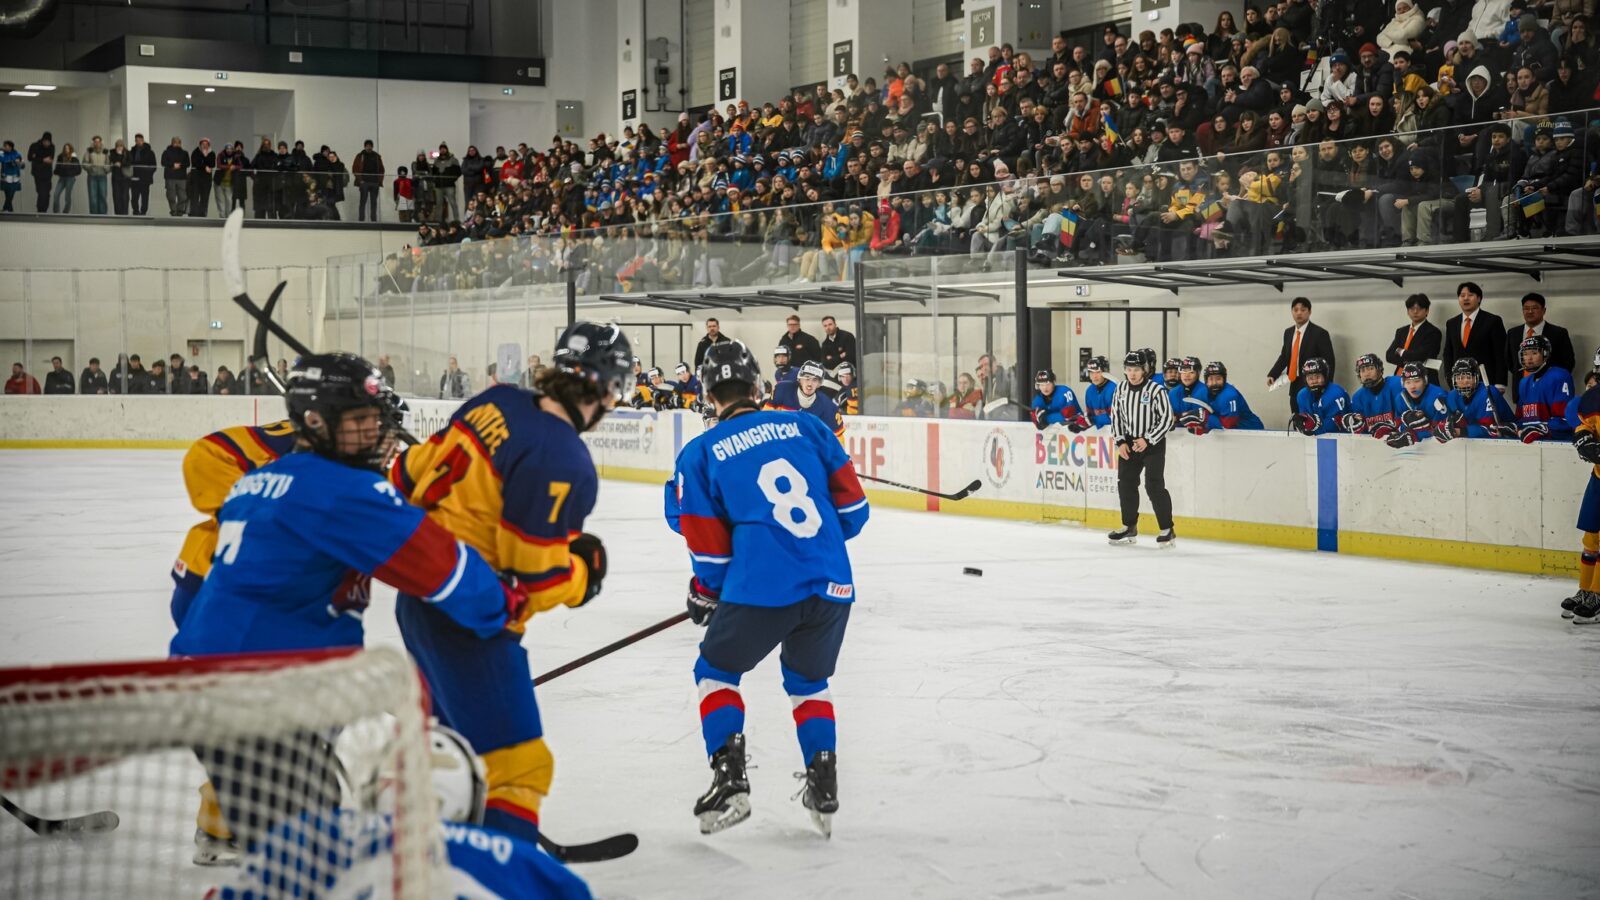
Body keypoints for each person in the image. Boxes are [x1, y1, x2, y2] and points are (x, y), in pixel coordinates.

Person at [171, 353, 529, 855]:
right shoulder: (341, 490)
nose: (375, 432)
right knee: (309, 857)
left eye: (375, 419)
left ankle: (233, 834)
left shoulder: (262, 480)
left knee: (296, 840)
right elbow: (441, 572)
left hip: (220, 685)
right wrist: (506, 599)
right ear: (316, 422)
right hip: (263, 698)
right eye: (360, 421)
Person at [389, 322, 630, 845]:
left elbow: (405, 476)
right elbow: (538, 579)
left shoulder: (496, 399)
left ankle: (438, 862)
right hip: (471, 622)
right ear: (607, 388)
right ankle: (500, 872)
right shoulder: (562, 456)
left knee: (448, 752)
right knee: (519, 767)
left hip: (418, 603)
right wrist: (584, 574)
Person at [664, 340, 869, 837]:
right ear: (758, 385)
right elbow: (855, 513)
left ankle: (730, 781)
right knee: (807, 683)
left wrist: (706, 591)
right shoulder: (807, 427)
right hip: (832, 584)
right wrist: (808, 549)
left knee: (715, 670)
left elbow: (709, 553)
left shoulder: (701, 452)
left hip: (763, 587)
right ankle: (824, 782)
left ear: (707, 395)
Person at [1109, 350, 1175, 547]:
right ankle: (1129, 526)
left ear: (1144, 369)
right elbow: (1116, 416)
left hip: (1152, 444)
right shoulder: (1120, 389)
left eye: (1136, 369)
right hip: (1129, 443)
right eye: (1129, 369)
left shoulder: (1157, 390)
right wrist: (1120, 442)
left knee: (1153, 485)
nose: (1132, 373)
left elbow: (1166, 419)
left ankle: (1167, 529)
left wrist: (1148, 439)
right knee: (1126, 483)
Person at [1565, 356, 1600, 622]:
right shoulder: (1591, 399)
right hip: (1598, 477)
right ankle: (1586, 590)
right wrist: (1582, 436)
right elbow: (1584, 425)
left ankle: (1598, 594)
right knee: (1591, 538)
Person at [1267, 297, 1335, 414]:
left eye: (1303, 310)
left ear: (1309, 312)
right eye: (1296, 309)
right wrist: (1273, 374)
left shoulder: (1319, 333)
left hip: (1314, 384)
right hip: (1294, 383)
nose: (1299, 313)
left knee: (1314, 419)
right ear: (1292, 312)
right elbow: (1284, 356)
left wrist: (1326, 386)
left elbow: (1329, 361)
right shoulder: (1288, 333)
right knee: (1297, 418)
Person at [1505, 292, 1576, 403]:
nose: (1530, 311)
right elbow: (1510, 362)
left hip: (1550, 392)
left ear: (1544, 310)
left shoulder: (1558, 333)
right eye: (1526, 308)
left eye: (1534, 308)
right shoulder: (1513, 333)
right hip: (1522, 391)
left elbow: (1568, 363)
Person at [1441, 281, 1508, 390]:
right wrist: (1450, 378)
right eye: (1462, 296)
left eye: (1470, 295)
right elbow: (1448, 353)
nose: (1466, 298)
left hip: (1486, 383)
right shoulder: (1452, 323)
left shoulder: (1492, 321)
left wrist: (1500, 383)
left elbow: (1501, 354)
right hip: (1459, 383)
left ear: (1479, 298)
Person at [1514, 335, 1576, 443]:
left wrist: (1544, 429)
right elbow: (1520, 418)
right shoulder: (1523, 382)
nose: (1529, 358)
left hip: (1556, 444)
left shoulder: (1560, 376)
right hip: (1529, 442)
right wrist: (1514, 428)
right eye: (1525, 354)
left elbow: (1563, 419)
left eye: (1534, 353)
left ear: (1545, 354)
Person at [1439, 357, 1515, 440]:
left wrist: (1460, 431)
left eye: (1468, 377)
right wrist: (1443, 428)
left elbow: (1491, 430)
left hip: (1508, 442)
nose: (1464, 381)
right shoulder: (1452, 396)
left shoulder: (1488, 393)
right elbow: (1445, 423)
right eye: (1459, 378)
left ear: (1476, 378)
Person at [765, 360, 844, 437]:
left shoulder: (828, 407)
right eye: (807, 378)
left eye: (815, 380)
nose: (810, 384)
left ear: (819, 383)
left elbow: (838, 440)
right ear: (800, 379)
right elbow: (765, 418)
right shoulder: (782, 390)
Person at [1179, 362, 1264, 433]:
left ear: (1224, 379)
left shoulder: (1229, 395)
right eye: (1211, 379)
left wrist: (1204, 417)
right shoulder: (1203, 392)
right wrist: (1201, 428)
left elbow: (1227, 425)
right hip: (1232, 436)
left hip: (1251, 431)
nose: (1215, 382)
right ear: (1206, 381)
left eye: (1218, 378)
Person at [1385, 362, 1453, 448]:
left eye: (1417, 381)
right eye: (1408, 382)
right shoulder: (1400, 399)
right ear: (1403, 384)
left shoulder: (1438, 396)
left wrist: (1413, 436)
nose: (1412, 386)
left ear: (1425, 380)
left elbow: (1443, 431)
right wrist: (1404, 425)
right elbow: (1398, 427)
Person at [1385, 293, 1443, 385]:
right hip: (1400, 378)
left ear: (1427, 311)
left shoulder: (1433, 332)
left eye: (1419, 309)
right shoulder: (1401, 331)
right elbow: (1389, 355)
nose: (1415, 312)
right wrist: (1410, 360)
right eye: (1412, 309)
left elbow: (1421, 356)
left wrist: (1400, 352)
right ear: (1407, 311)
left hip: (1423, 380)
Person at [1343, 353, 1404, 439]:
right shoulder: (1358, 397)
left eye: (1370, 368)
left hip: (1399, 442)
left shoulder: (1396, 384)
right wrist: (1354, 423)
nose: (1366, 374)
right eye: (1362, 370)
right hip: (1372, 445)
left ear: (1379, 369)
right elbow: (1361, 432)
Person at [1290, 358, 1350, 435]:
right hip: (1313, 440)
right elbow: (1306, 422)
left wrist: (1314, 426)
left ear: (1325, 376)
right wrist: (1302, 424)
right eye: (1310, 378)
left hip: (1340, 441)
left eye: (1317, 377)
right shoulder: (1302, 395)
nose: (1314, 381)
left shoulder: (1337, 393)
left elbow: (1337, 424)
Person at [353, 139, 385, 222]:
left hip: (374, 182)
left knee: (374, 203)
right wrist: (360, 180)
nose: (369, 147)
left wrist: (379, 181)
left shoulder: (377, 156)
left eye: (370, 145)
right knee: (363, 202)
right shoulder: (360, 156)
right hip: (364, 182)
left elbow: (381, 169)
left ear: (372, 146)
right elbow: (355, 168)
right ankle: (361, 220)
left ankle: (373, 220)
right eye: (367, 145)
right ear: (364, 146)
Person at [1082, 356, 1117, 427]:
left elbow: (1116, 418)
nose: (1094, 376)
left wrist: (1093, 420)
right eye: (1091, 373)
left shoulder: (1115, 389)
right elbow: (1090, 415)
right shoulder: (1089, 390)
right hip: (1099, 435)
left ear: (1106, 372)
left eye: (1098, 372)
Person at [128, 133, 156, 216]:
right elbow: (129, 164)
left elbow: (154, 166)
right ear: (135, 141)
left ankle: (143, 212)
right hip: (134, 178)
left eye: (140, 140)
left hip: (145, 179)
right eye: (137, 140)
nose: (138, 142)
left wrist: (147, 173)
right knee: (134, 197)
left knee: (145, 197)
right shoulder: (132, 151)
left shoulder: (150, 152)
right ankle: (135, 211)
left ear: (143, 140)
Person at [26, 131, 53, 214]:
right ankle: (40, 211)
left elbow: (50, 159)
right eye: (46, 142)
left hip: (48, 173)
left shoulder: (52, 147)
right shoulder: (34, 146)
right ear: (43, 140)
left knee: (47, 192)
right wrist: (43, 159)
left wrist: (37, 157)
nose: (47, 144)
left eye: (49, 142)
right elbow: (30, 157)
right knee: (41, 192)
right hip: (37, 173)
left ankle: (44, 210)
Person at [161, 136, 189, 216]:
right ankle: (173, 211)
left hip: (182, 178)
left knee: (183, 197)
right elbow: (163, 162)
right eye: (175, 142)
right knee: (171, 196)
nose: (176, 144)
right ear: (172, 143)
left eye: (178, 142)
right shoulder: (166, 152)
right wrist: (173, 165)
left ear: (180, 143)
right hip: (170, 177)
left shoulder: (185, 153)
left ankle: (180, 211)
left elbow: (187, 163)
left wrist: (179, 165)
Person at [0, 139, 22, 212]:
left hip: (14, 178)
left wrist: (17, 162)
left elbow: (20, 162)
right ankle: (10, 211)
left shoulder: (16, 154)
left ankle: (5, 209)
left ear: (10, 147)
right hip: (5, 177)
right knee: (7, 195)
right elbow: (2, 159)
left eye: (6, 146)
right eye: (4, 146)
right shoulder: (2, 153)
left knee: (10, 195)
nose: (4, 147)